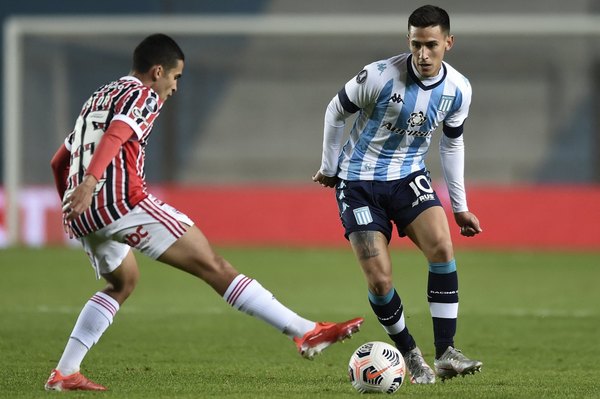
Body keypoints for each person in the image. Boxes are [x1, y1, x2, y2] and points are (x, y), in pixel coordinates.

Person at [46, 33, 363, 392]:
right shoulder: (143, 93)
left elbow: (59, 159)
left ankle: (65, 372)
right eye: (175, 77)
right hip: (122, 201)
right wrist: (90, 182)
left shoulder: (97, 98)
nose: (174, 87)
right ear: (158, 71)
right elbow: (118, 133)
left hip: (86, 215)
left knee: (123, 282)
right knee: (214, 265)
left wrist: (72, 201)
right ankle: (305, 332)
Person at [312, 5, 482, 384]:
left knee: (442, 245)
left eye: (432, 46)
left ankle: (446, 353)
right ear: (409, 41)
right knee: (379, 279)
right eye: (416, 44)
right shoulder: (379, 76)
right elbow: (335, 110)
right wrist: (329, 167)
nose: (423, 54)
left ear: (448, 43)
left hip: (408, 176)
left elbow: (452, 146)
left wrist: (460, 207)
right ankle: (410, 354)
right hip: (358, 183)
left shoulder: (458, 89)